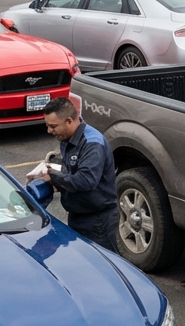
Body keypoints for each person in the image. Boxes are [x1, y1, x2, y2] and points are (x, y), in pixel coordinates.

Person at [32, 96, 119, 252]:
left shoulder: (92, 144)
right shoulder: (66, 137)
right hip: (77, 215)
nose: (49, 131)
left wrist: (53, 176)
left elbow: (86, 181)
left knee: (102, 268)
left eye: (53, 126)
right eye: (47, 125)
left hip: (97, 222)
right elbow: (72, 170)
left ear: (69, 121)